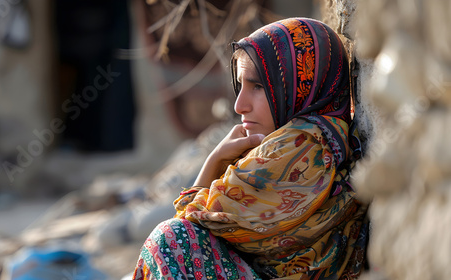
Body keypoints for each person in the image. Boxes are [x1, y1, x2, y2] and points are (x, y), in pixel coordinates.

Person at [132, 17, 369, 280]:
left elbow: (193, 218)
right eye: (240, 85)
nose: (240, 105)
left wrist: (215, 160)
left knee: (171, 241)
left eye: (258, 86)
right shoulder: (329, 135)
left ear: (298, 85)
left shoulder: (301, 146)